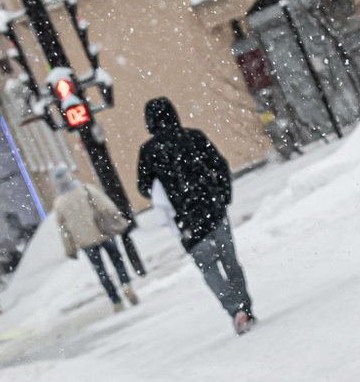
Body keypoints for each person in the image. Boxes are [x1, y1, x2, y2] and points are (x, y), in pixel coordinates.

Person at [136, 97, 254, 334]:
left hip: (186, 222)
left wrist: (167, 189)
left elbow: (143, 186)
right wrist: (223, 196)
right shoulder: (194, 137)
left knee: (209, 268)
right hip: (213, 210)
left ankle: (235, 310)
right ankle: (245, 307)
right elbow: (219, 165)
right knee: (230, 262)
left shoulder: (149, 152)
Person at [51, 163, 139, 313]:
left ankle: (115, 301)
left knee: (100, 270)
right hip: (103, 232)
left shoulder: (59, 203)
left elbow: (63, 230)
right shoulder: (86, 189)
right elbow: (107, 206)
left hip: (85, 241)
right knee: (117, 260)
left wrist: (70, 249)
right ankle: (126, 285)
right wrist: (119, 221)